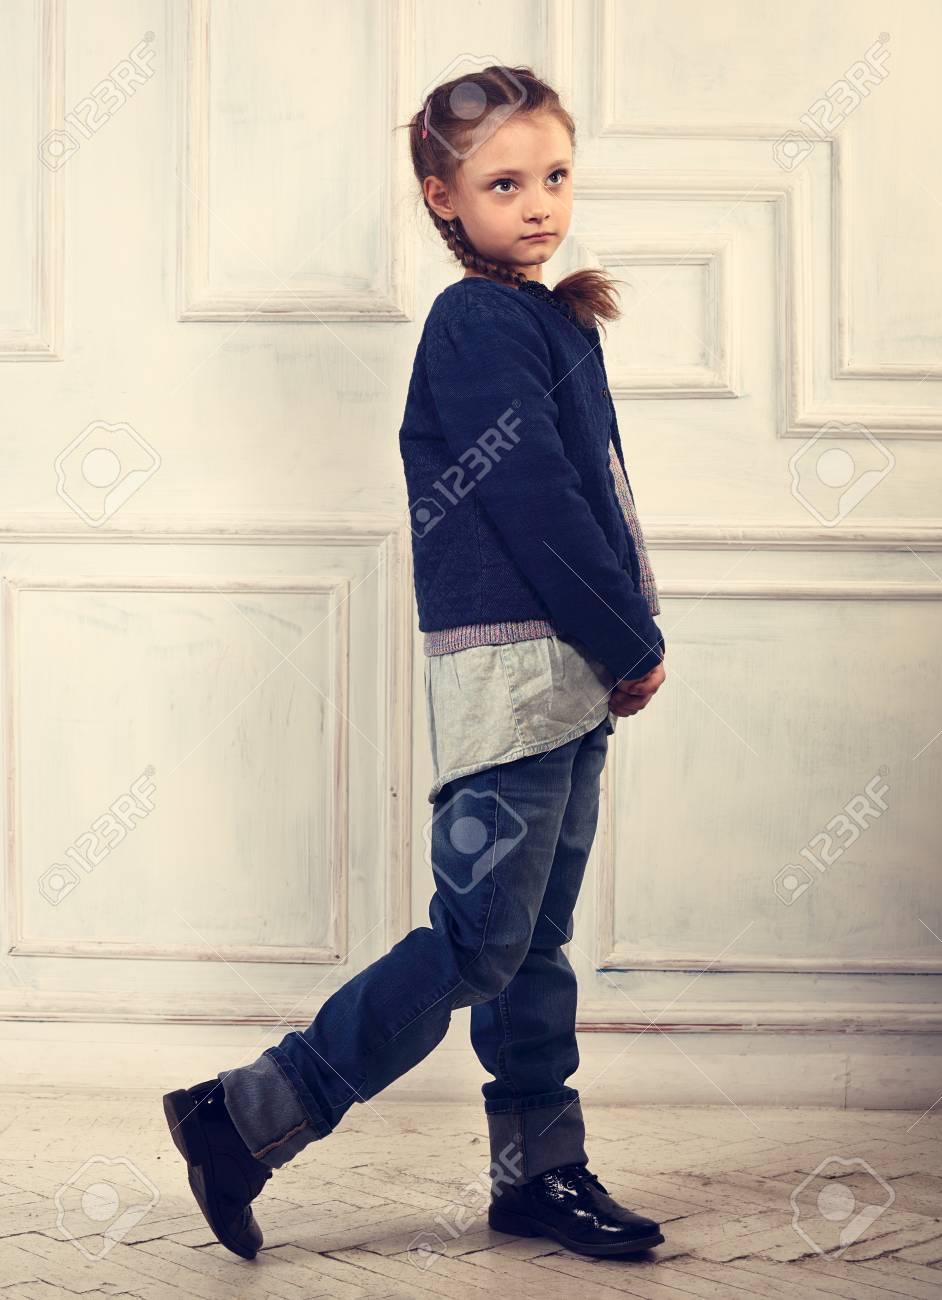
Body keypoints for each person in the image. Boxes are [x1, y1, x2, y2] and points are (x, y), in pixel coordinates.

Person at [162, 63, 668, 1263]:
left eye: (554, 174)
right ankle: (244, 1115)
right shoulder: (477, 322)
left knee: (531, 943)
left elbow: (599, 501)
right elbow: (539, 505)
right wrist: (631, 636)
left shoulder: (546, 314)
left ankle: (538, 1175)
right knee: (479, 938)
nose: (539, 202)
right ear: (444, 199)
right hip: (517, 681)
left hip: (571, 678)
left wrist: (620, 644)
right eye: (504, 182)